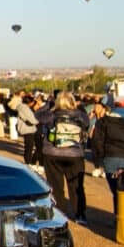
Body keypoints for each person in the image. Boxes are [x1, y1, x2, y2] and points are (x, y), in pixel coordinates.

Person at [40, 91, 94, 224]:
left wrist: (48, 105)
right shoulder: (80, 115)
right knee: (76, 185)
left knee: (55, 185)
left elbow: (37, 116)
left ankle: (59, 212)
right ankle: (79, 214)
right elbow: (87, 125)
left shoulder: (51, 115)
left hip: (52, 153)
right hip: (75, 154)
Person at [16, 94, 42, 167]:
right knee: (29, 147)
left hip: (29, 129)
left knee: (30, 147)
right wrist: (39, 120)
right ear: (30, 102)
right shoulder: (25, 109)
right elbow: (32, 120)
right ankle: (29, 163)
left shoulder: (22, 107)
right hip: (28, 130)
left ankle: (30, 162)